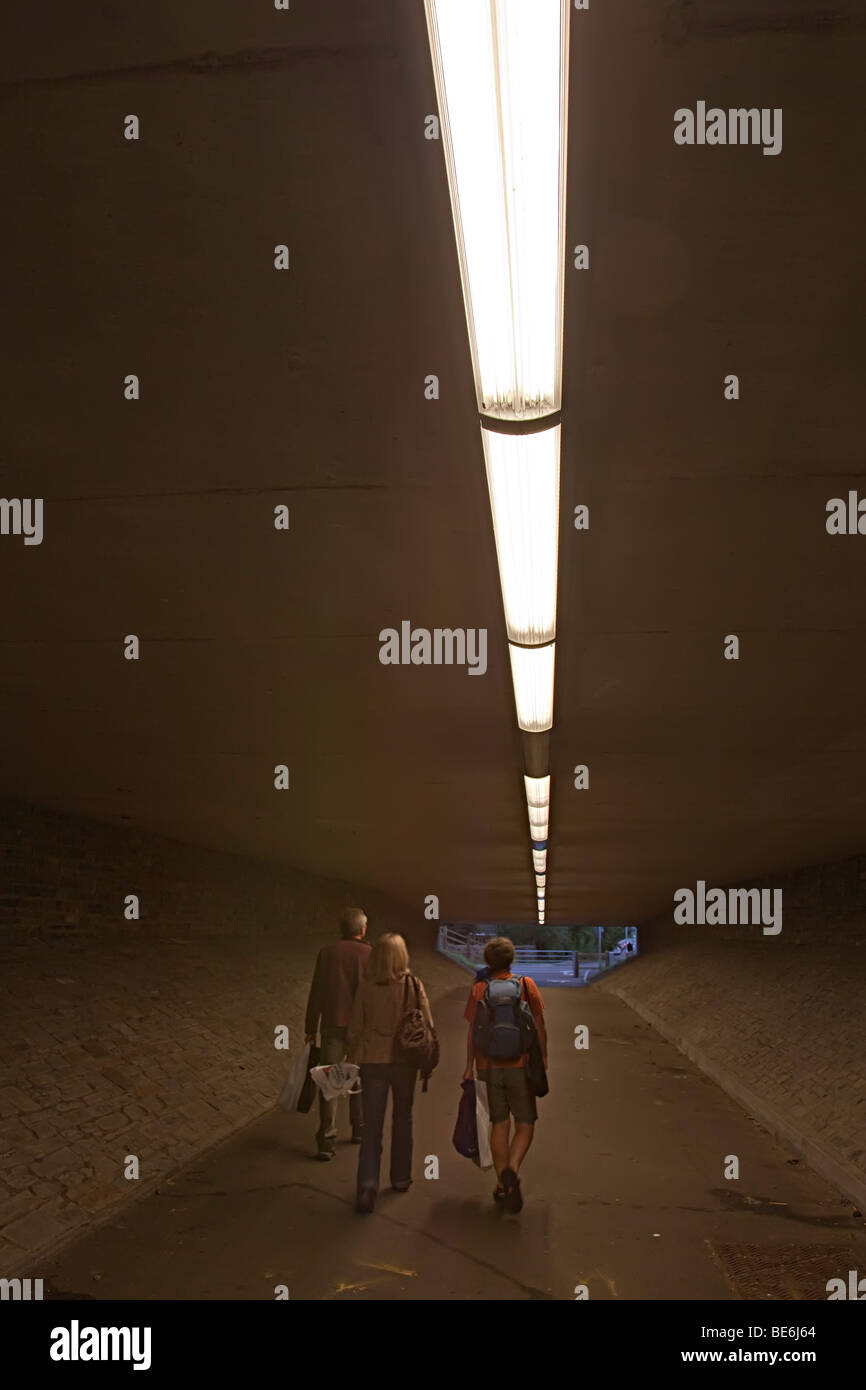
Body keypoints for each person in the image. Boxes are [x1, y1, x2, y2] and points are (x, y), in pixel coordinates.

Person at [346, 933, 435, 1214]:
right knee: (403, 1117)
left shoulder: (366, 986)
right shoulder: (412, 984)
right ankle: (399, 1178)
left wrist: (353, 1059)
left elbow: (355, 1029)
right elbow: (427, 1023)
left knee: (371, 1125)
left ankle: (367, 1184)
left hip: (373, 1061)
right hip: (404, 1061)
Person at [463, 936, 547, 1214]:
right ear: (512, 959)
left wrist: (468, 1065)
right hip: (520, 1066)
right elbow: (538, 1025)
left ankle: (502, 1183)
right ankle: (511, 1169)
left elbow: (473, 1031)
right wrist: (543, 1058)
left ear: (488, 961)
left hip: (488, 1066)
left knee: (499, 1122)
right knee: (525, 1122)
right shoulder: (526, 985)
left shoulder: (479, 989)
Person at [304, 907, 371, 1161]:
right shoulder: (372, 955)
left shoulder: (327, 953)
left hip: (333, 1024)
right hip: (362, 1029)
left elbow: (317, 991)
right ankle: (359, 1129)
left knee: (330, 1081)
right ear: (363, 929)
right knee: (360, 1078)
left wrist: (310, 1027)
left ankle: (326, 1140)